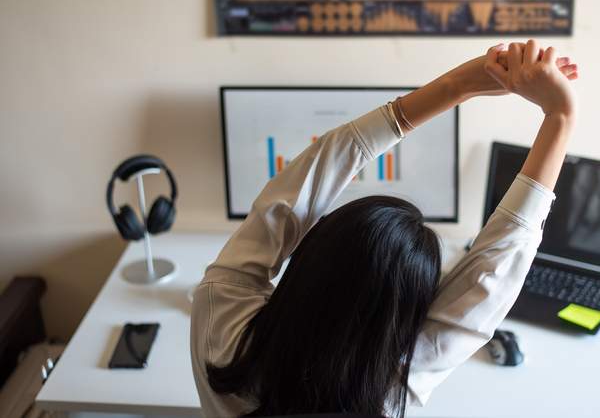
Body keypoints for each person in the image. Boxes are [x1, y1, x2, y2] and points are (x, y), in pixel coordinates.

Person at [190, 40, 579, 417]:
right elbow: (490, 280)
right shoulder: (389, 391)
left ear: (309, 255)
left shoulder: (220, 323)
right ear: (405, 317)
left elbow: (295, 191)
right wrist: (559, 115)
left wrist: (459, 86)